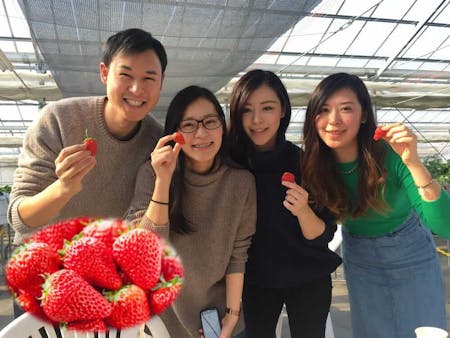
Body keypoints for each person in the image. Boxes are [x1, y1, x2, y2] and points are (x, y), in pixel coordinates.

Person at [301, 72, 450, 338]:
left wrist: (413, 163)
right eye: (324, 110)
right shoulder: (315, 165)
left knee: (426, 331)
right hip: (361, 258)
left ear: (364, 115)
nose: (333, 120)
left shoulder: (390, 154)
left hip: (411, 252)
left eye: (346, 108)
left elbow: (444, 225)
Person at [7, 28, 166, 245]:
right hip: (42, 257)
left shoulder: (156, 143)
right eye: (125, 75)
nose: (137, 89)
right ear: (104, 73)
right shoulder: (58, 120)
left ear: (161, 82)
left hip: (96, 259)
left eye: (149, 78)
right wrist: (63, 188)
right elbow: (20, 219)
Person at [129, 85, 257, 338]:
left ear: (223, 126)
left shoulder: (241, 182)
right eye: (188, 125)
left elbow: (237, 255)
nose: (201, 133)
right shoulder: (151, 173)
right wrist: (163, 181)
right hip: (162, 322)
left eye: (210, 121)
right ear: (175, 133)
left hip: (218, 320)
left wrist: (231, 317)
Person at [228, 69, 341, 338]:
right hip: (255, 279)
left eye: (267, 108)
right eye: (247, 110)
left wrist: (303, 211)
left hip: (307, 275)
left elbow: (322, 234)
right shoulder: (231, 163)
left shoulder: (305, 163)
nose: (257, 120)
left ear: (282, 110)